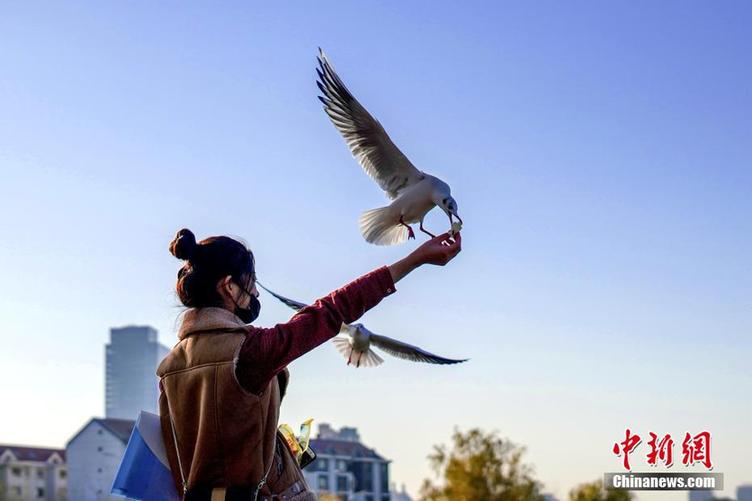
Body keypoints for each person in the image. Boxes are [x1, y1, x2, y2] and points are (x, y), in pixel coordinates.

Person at [158, 228, 461, 501]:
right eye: (251, 283)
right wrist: (415, 259)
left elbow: (187, 458)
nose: (257, 293)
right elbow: (331, 310)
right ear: (230, 288)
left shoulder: (169, 367)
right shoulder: (251, 351)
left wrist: (272, 451)